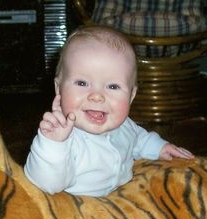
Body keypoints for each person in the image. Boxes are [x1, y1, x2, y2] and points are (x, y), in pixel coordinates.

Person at [24, 25, 194, 197]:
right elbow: (46, 183)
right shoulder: (63, 138)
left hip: (117, 203)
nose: (97, 96)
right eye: (82, 83)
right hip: (79, 212)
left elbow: (139, 139)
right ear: (59, 88)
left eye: (113, 86)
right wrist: (53, 145)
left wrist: (160, 148)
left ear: (131, 95)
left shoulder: (124, 125)